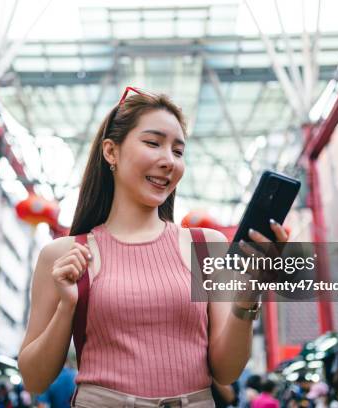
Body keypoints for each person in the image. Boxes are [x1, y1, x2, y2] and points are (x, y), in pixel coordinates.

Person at [18, 87, 290, 407]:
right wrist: (67, 306)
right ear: (111, 151)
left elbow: (226, 371)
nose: (168, 161)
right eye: (153, 143)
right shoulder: (64, 254)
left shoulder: (207, 247)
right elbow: (34, 378)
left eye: (178, 151)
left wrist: (250, 291)